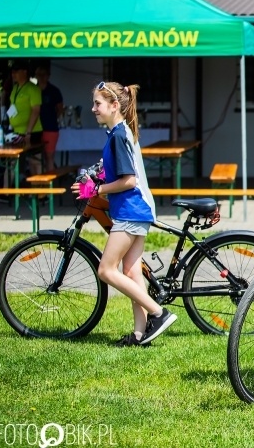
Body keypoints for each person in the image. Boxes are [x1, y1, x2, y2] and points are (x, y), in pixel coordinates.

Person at [71, 81, 176, 346]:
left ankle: (159, 313)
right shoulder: (119, 132)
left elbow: (129, 180)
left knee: (106, 270)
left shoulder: (118, 135)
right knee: (131, 271)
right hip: (136, 209)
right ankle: (140, 334)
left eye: (97, 104)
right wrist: (95, 180)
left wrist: (97, 188)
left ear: (114, 105)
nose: (93, 109)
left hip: (131, 210)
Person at [7, 60, 43, 176]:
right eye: (12, 71)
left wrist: (28, 132)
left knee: (34, 161)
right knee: (12, 161)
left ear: (24, 72)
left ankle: (40, 187)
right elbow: (12, 108)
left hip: (32, 132)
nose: (13, 74)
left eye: (16, 71)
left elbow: (36, 110)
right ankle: (6, 187)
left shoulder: (33, 89)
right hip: (16, 132)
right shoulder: (15, 88)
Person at [34, 63, 65, 172]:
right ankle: (37, 181)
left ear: (48, 76)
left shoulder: (54, 91)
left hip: (50, 128)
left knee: (49, 157)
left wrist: (52, 118)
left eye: (44, 74)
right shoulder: (33, 90)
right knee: (35, 158)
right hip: (35, 129)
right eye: (39, 74)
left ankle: (50, 181)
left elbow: (60, 109)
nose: (41, 77)